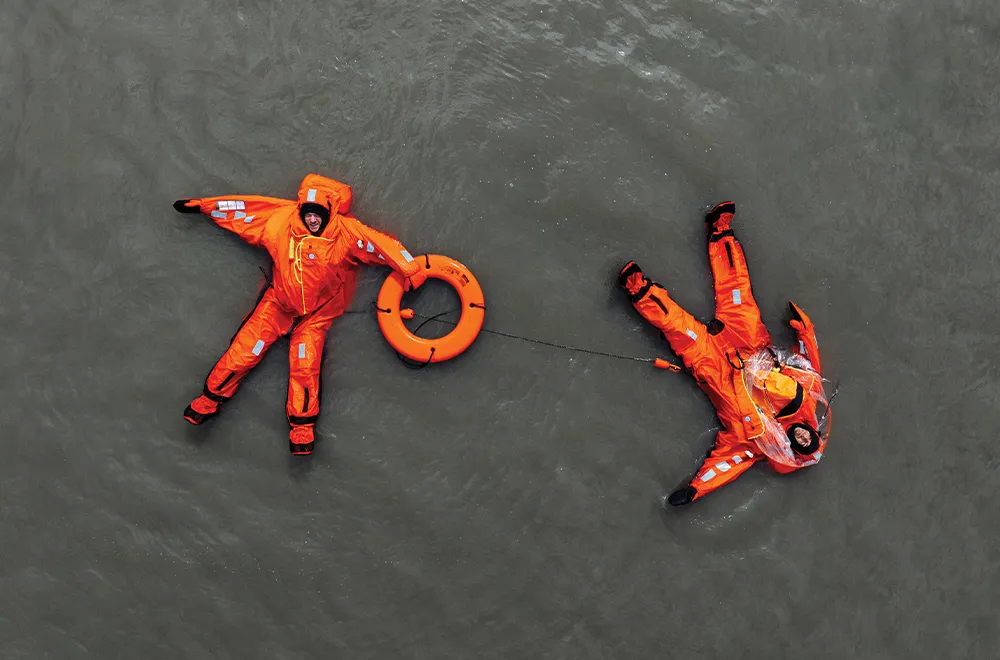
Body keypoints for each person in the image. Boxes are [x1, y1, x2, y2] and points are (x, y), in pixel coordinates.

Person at [173, 174, 426, 455]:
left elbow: (381, 245)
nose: (312, 220)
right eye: (308, 213)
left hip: (317, 314)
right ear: (301, 211)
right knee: (245, 352)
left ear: (328, 213)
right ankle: (209, 400)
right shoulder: (281, 221)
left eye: (318, 215)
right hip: (278, 304)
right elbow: (244, 211)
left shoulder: (347, 233)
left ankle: (302, 428)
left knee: (305, 368)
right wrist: (203, 206)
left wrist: (411, 269)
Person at [618, 202, 830, 505]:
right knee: (737, 290)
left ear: (795, 449)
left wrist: (695, 489)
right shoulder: (811, 395)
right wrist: (804, 330)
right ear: (811, 431)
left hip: (712, 365)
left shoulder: (753, 447)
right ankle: (720, 230)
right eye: (810, 438)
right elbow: (809, 361)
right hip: (750, 343)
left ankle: (638, 288)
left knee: (675, 325)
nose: (804, 438)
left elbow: (724, 467)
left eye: (802, 445)